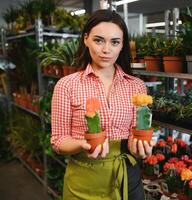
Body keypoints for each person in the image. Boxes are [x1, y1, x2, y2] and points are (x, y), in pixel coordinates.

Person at [51, 9, 155, 200]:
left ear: (122, 45)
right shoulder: (67, 85)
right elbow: (58, 140)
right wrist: (83, 144)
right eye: (99, 40)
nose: (106, 49)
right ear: (86, 39)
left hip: (126, 178)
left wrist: (138, 147)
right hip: (84, 180)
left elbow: (136, 132)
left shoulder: (137, 86)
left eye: (115, 42)